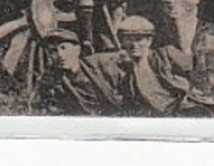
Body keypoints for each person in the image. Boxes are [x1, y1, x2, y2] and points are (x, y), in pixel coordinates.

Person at [47, 15, 191, 116]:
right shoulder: (119, 65)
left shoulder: (166, 55)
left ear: (149, 40)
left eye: (139, 39)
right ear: (122, 42)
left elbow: (198, 73)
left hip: (178, 112)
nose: (134, 44)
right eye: (128, 39)